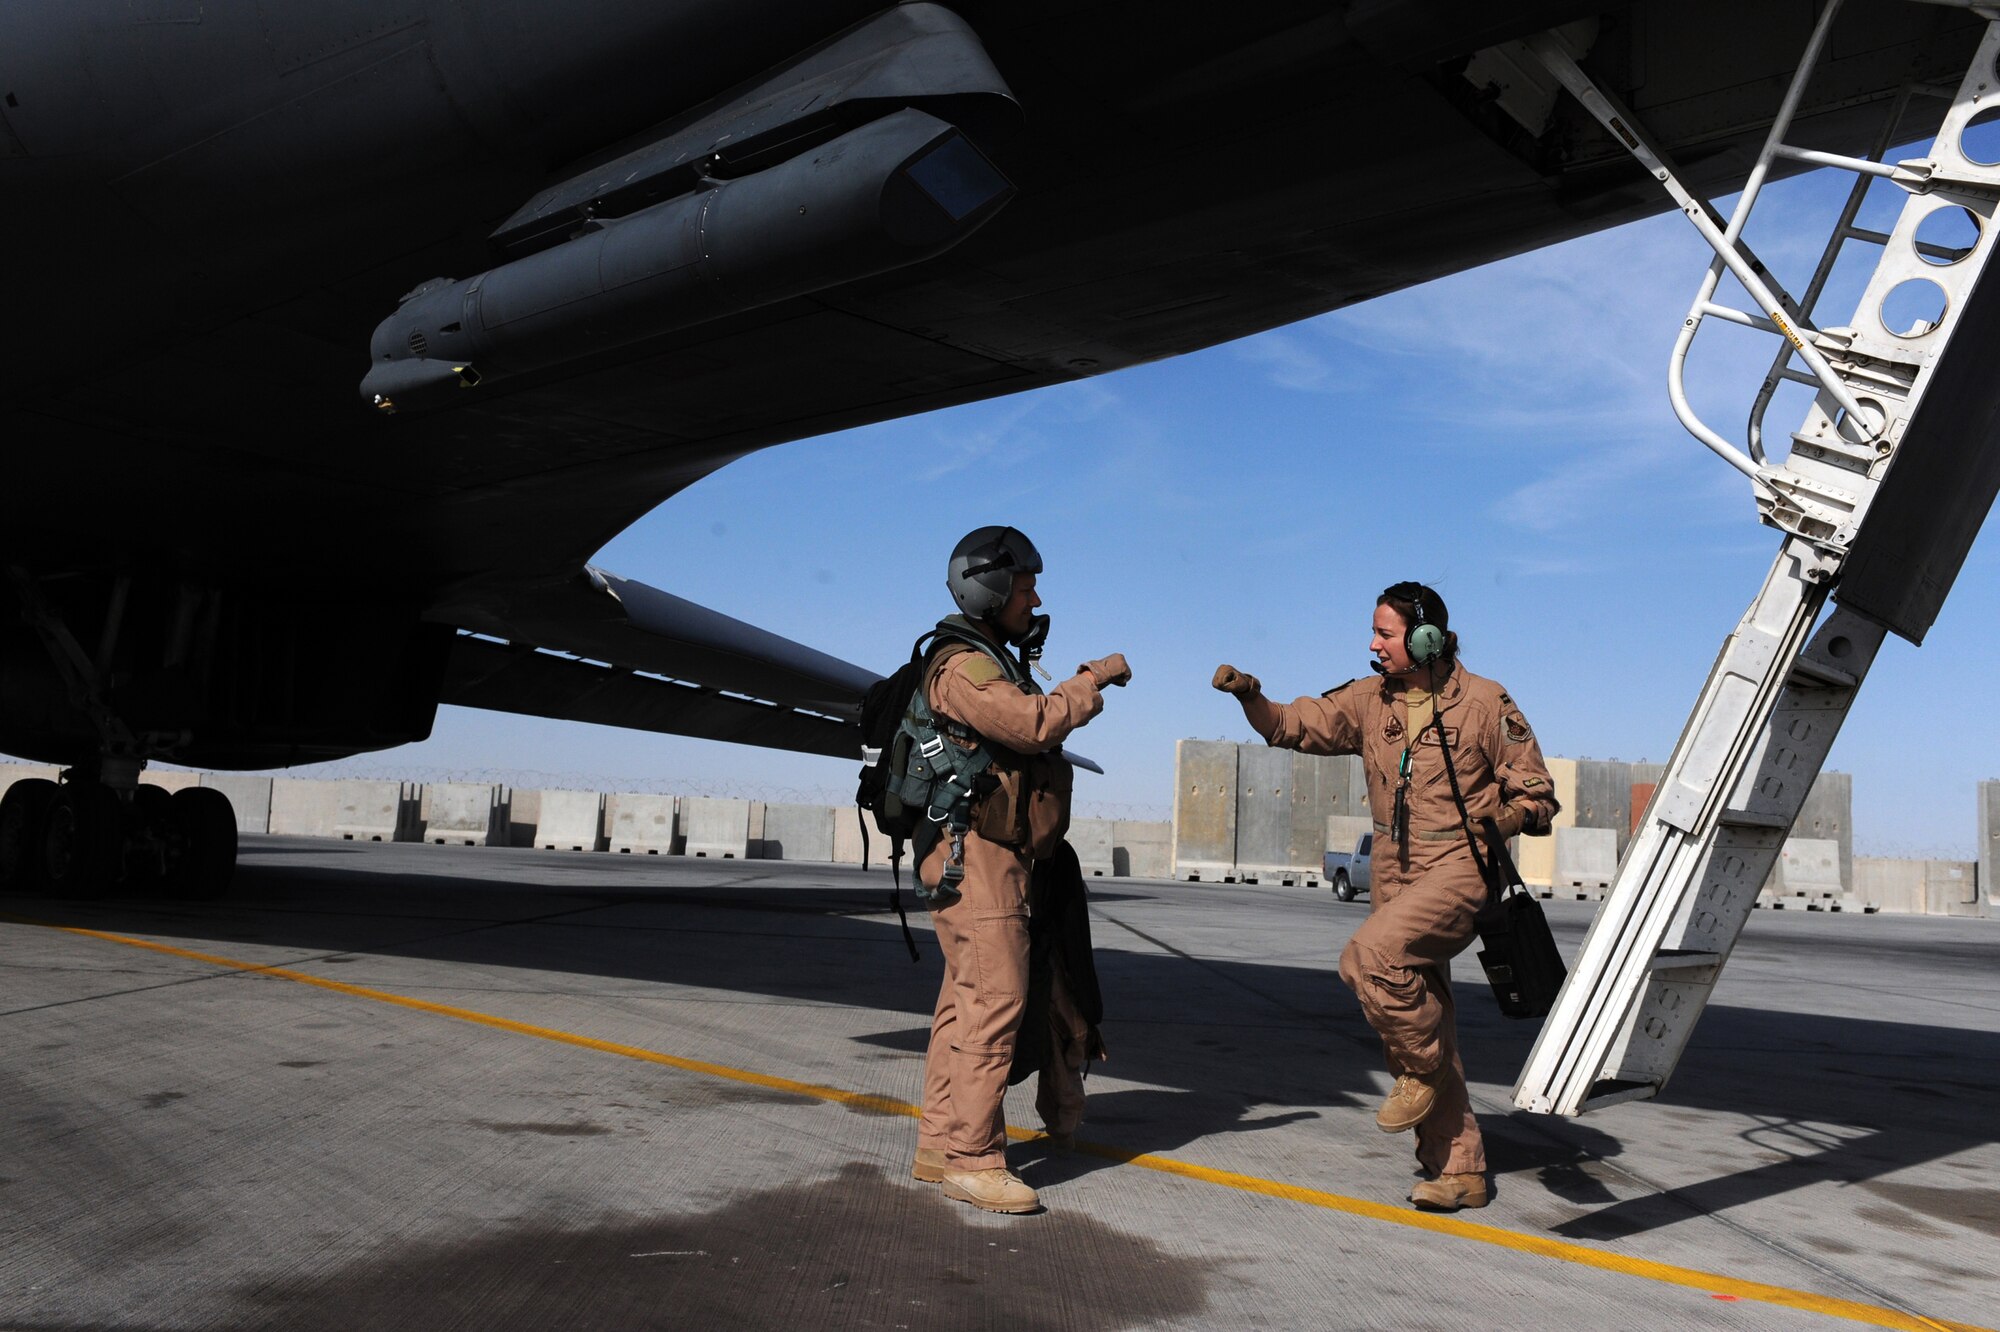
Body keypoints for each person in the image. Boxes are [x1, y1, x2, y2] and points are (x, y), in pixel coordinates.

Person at [1211, 581, 1557, 1211]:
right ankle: (1459, 1171)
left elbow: (1538, 795)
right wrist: (1250, 696)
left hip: (1458, 866)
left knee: (1369, 958)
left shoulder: (1485, 702)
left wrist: (1499, 822)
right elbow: (1292, 725)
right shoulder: (1372, 699)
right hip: (1394, 872)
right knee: (1426, 1012)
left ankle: (1420, 1072)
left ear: (1426, 638)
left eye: (1386, 634)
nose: (1374, 645)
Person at [909, 526, 1128, 1215]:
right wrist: (1091, 681)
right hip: (980, 857)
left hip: (986, 855)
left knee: (964, 1001)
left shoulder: (988, 657)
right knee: (995, 1003)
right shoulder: (965, 666)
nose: (1035, 597)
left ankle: (941, 1142)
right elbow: (1034, 725)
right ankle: (974, 1159)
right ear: (992, 590)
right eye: (1025, 587)